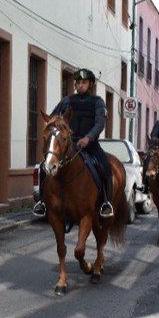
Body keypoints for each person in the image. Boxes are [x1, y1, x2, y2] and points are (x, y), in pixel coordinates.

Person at [32, 68, 114, 218]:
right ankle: (42, 202)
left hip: (90, 145)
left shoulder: (98, 102)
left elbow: (100, 123)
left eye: (84, 82)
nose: (80, 85)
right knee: (44, 168)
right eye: (78, 82)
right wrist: (52, 125)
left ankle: (105, 202)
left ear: (90, 84)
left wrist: (88, 138)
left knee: (106, 168)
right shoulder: (67, 100)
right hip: (67, 145)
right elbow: (54, 117)